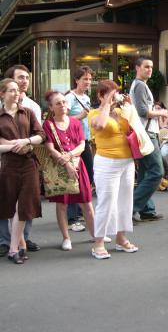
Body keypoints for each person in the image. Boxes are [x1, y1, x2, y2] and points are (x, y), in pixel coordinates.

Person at [88, 80, 137, 259]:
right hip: (106, 162)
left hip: (127, 161)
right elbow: (100, 125)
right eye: (110, 93)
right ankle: (99, 243)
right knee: (106, 202)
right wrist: (107, 104)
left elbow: (135, 128)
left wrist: (130, 107)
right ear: (100, 96)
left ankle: (121, 238)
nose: (115, 96)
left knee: (125, 201)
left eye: (115, 92)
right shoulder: (94, 113)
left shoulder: (120, 112)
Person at [0, 78, 45, 264]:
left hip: (28, 164)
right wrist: (13, 146)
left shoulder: (27, 112)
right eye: (11, 90)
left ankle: (13, 249)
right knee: (11, 206)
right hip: (8, 165)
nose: (16, 93)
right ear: (2, 94)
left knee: (23, 206)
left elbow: (41, 135)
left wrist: (26, 142)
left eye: (17, 90)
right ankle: (19, 245)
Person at [43, 91, 95, 251]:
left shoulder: (74, 122)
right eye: (58, 103)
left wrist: (70, 155)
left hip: (78, 165)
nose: (63, 105)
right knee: (62, 204)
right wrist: (66, 163)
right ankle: (66, 237)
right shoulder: (48, 125)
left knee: (86, 202)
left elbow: (82, 144)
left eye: (64, 102)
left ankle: (95, 234)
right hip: (60, 168)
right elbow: (50, 148)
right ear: (51, 107)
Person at [129, 57, 166, 222]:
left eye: (151, 67)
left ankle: (147, 210)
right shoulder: (140, 86)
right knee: (157, 172)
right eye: (146, 67)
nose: (149, 69)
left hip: (145, 132)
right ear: (137, 68)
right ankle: (130, 209)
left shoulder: (138, 85)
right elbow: (143, 111)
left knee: (145, 173)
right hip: (147, 133)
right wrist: (161, 112)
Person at [65, 66, 94, 233]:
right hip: (73, 143)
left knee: (88, 175)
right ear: (77, 80)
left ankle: (78, 211)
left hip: (85, 141)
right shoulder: (69, 97)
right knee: (74, 178)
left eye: (89, 79)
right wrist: (80, 117)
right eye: (85, 79)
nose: (88, 82)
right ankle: (72, 217)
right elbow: (63, 119)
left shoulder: (86, 97)